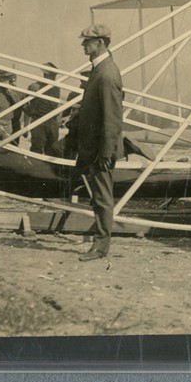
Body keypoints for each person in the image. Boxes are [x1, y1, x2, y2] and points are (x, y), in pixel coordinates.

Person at [74, 24, 124, 261]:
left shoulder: (106, 73)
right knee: (97, 196)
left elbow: (112, 118)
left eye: (88, 41)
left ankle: (100, 247)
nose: (83, 45)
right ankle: (98, 241)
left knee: (103, 197)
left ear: (101, 43)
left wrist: (106, 153)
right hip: (93, 148)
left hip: (99, 150)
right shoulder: (99, 70)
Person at [24, 62, 62, 155]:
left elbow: (57, 105)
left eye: (55, 75)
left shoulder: (56, 87)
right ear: (46, 74)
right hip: (38, 121)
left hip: (52, 123)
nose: (54, 77)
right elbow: (25, 105)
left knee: (52, 149)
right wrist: (26, 126)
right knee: (36, 149)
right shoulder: (34, 86)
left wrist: (57, 124)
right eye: (52, 75)